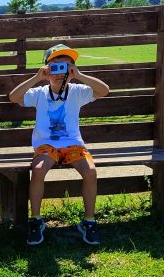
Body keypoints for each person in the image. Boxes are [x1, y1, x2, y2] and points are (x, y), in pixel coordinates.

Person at [8, 43, 110, 246]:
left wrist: (80, 75)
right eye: (55, 66)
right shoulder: (39, 93)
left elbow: (104, 90)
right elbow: (14, 97)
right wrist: (37, 77)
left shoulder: (77, 91)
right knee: (37, 170)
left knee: (90, 171)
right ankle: (36, 220)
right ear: (47, 69)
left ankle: (89, 221)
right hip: (46, 146)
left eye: (66, 66)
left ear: (72, 70)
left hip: (74, 145)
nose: (60, 72)